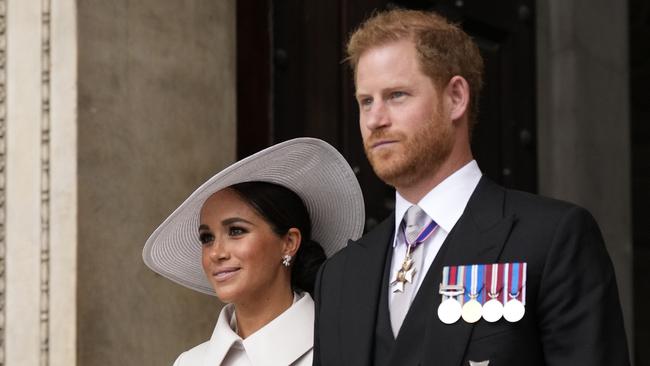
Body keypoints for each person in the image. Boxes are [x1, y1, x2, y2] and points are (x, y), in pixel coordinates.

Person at [313, 9, 630, 366]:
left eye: (397, 95)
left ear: (456, 98)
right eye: (365, 101)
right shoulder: (339, 277)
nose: (375, 120)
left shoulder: (552, 239)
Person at [143, 138, 365, 365]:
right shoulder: (190, 362)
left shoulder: (346, 352)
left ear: (289, 242)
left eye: (236, 231)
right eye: (207, 238)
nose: (215, 253)